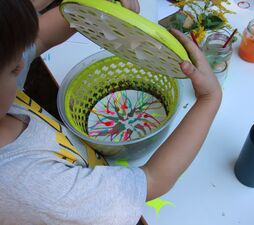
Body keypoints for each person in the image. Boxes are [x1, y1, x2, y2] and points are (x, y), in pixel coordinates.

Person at [0, 0, 222, 225]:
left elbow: (39, 38)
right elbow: (154, 180)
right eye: (14, 68)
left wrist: (93, 9)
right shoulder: (33, 189)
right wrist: (209, 98)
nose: (22, 61)